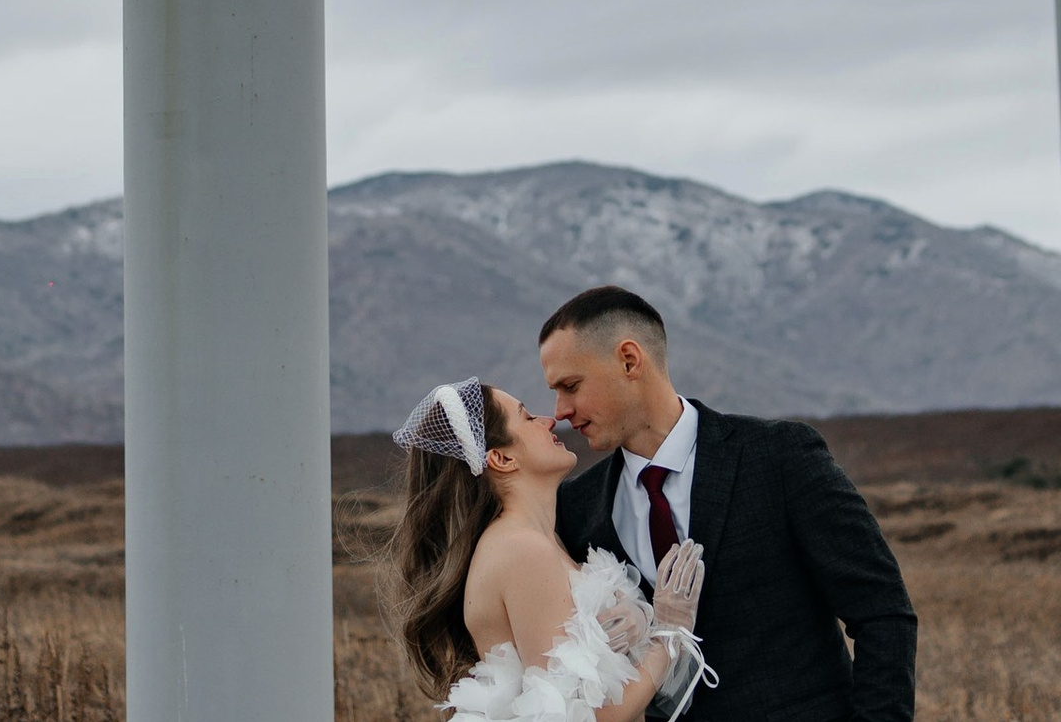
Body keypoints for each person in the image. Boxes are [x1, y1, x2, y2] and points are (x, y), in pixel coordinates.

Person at [542, 286, 917, 722]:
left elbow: (882, 611)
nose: (560, 410)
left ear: (629, 360)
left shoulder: (778, 456)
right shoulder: (575, 505)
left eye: (571, 386)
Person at [386, 377, 718, 722]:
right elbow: (587, 716)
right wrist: (669, 634)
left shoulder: (539, 540)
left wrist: (642, 623)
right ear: (500, 458)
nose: (549, 420)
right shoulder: (521, 550)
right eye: (527, 417)